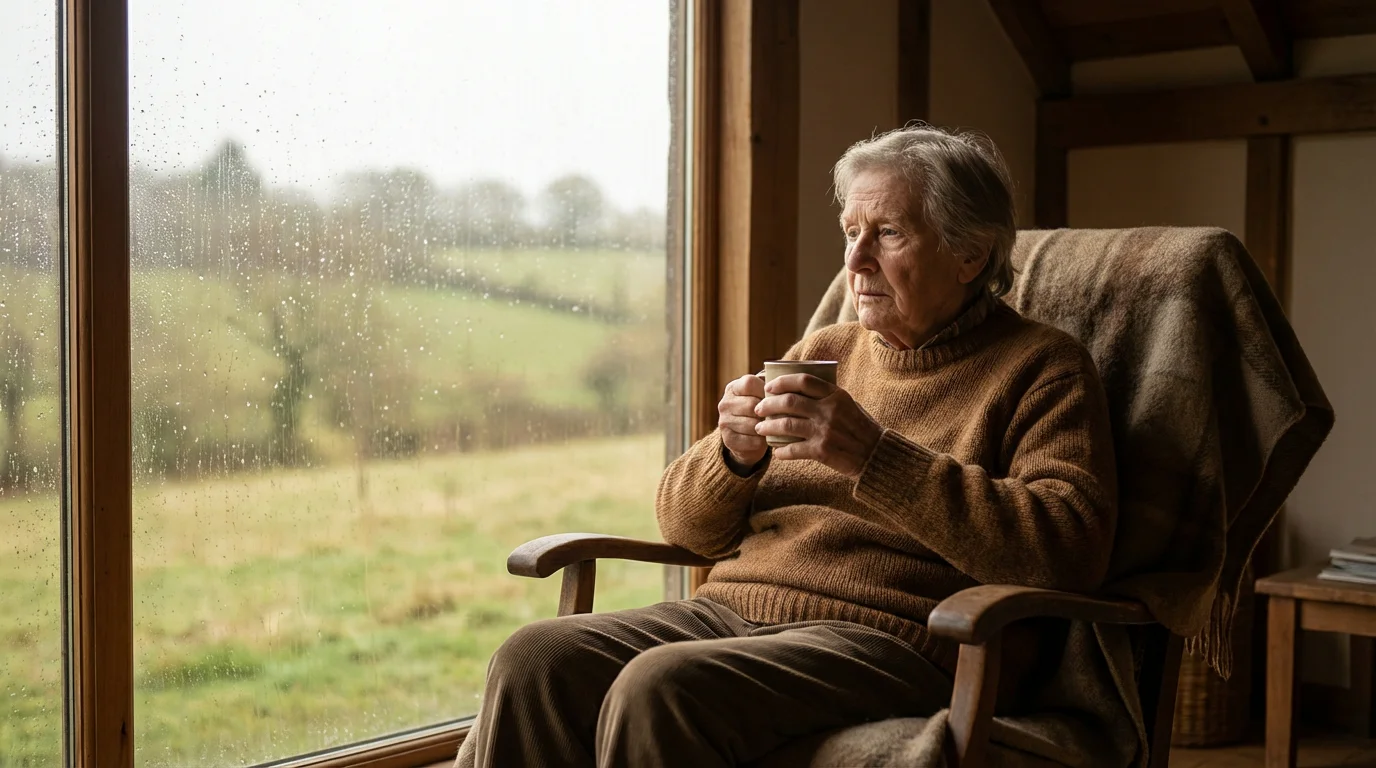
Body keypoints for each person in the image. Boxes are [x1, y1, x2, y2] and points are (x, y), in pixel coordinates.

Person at [455, 125, 1118, 768]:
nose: (855, 262)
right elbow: (685, 527)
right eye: (851, 234)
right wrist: (734, 455)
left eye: (887, 234)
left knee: (660, 687)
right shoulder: (825, 352)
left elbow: (1065, 550)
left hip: (893, 639)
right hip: (729, 613)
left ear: (969, 254)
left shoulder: (1042, 369)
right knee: (535, 659)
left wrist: (872, 458)